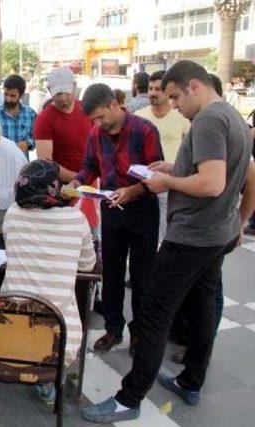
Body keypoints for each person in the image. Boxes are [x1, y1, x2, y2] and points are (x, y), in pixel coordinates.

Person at [82, 60, 255, 424]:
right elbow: (243, 173)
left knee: (155, 314)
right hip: (216, 234)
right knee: (204, 306)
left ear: (195, 86)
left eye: (176, 96)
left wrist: (167, 183)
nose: (173, 105)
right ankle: (191, 380)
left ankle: (129, 398)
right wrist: (176, 170)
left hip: (191, 237)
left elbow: (211, 183)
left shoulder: (208, 119)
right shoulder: (234, 116)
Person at [69, 83, 163, 355]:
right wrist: (77, 182)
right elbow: (89, 167)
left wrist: (131, 191)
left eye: (101, 117)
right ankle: (113, 328)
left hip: (143, 209)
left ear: (114, 104)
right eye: (94, 120)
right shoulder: (95, 134)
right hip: (110, 208)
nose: (98, 123)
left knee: (143, 276)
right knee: (111, 272)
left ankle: (139, 333)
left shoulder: (144, 130)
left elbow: (156, 175)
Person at [2, 159, 96, 403]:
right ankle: (48, 379)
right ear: (55, 187)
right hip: (59, 339)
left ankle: (31, 370)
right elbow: (86, 265)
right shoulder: (76, 220)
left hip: (7, 331)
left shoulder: (12, 214)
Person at [34, 67, 98, 229]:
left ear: (75, 87)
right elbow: (46, 162)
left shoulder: (87, 109)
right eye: (58, 94)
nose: (62, 98)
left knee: (92, 232)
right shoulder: (45, 119)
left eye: (66, 93)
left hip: (92, 185)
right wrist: (79, 178)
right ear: (49, 90)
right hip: (64, 188)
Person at [135, 70, 190, 242]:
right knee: (144, 230)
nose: (152, 93)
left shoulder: (182, 116)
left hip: (171, 181)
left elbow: (190, 148)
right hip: (145, 182)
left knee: (168, 230)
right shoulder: (139, 117)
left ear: (168, 93)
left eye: (158, 89)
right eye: (150, 88)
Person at [0, 74, 37, 156]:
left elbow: (36, 138)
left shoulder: (30, 114)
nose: (8, 99)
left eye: (13, 96)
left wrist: (27, 144)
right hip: (1, 163)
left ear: (21, 96)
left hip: (23, 164)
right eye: (6, 94)